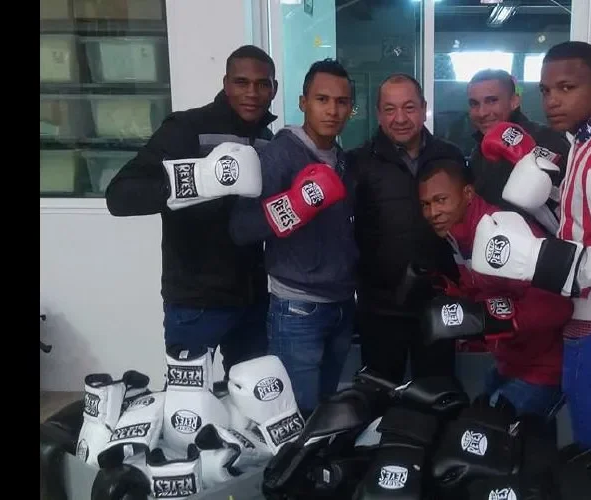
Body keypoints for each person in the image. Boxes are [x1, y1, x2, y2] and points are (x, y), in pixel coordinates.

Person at [469, 41, 591, 452]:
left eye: (566, 88)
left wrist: (538, 258)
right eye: (546, 90)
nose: (553, 101)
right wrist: (550, 200)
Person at [105, 45, 277, 377]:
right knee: (188, 410)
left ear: (274, 88)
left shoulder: (267, 141)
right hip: (195, 300)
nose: (252, 93)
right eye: (242, 82)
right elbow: (120, 196)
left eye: (262, 83)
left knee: (251, 402)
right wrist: (194, 182)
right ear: (226, 84)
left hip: (252, 299)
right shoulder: (187, 128)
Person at [229, 59, 356, 418]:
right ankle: (294, 475)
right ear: (303, 102)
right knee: (295, 413)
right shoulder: (279, 155)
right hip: (297, 307)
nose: (332, 110)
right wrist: (292, 207)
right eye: (322, 99)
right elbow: (241, 227)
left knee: (326, 407)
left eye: (341, 102)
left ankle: (321, 473)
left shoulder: (342, 160)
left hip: (342, 302)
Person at [417, 158, 572, 436]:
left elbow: (557, 305)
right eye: (426, 204)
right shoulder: (459, 235)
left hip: (544, 367)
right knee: (504, 442)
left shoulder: (503, 234)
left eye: (441, 200)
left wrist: (489, 318)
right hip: (510, 362)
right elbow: (489, 290)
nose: (433, 212)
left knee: (488, 441)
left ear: (467, 194)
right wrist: (450, 293)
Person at [350, 73, 465, 384]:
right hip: (380, 310)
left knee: (438, 397)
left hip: (439, 304)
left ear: (424, 108)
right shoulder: (358, 163)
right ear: (378, 113)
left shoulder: (450, 156)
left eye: (409, 107)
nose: (399, 118)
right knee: (379, 397)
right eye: (389, 109)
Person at [467, 69, 571, 235]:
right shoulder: (477, 153)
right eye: (474, 104)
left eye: (492, 101)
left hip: (545, 251)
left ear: (514, 101)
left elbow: (572, 202)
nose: (482, 112)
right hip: (497, 251)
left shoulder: (547, 140)